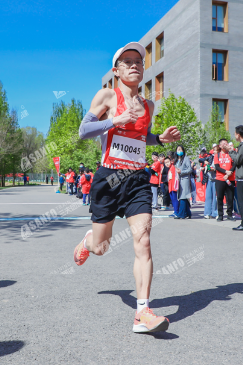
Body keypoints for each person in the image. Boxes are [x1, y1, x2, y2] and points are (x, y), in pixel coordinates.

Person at [73, 42, 181, 333]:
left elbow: (141, 138)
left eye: (138, 61)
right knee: (101, 248)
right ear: (116, 69)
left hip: (136, 179)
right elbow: (84, 131)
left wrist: (161, 139)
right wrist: (114, 120)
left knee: (143, 240)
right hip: (109, 178)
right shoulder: (107, 95)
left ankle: (142, 312)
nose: (134, 65)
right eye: (127, 61)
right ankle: (88, 241)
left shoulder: (148, 105)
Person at [215, 140, 236, 222]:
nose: (226, 145)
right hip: (220, 179)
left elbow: (235, 164)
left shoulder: (231, 154)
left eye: (226, 143)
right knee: (219, 198)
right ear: (220, 146)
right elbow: (217, 167)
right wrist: (225, 172)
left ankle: (230, 214)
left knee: (230, 198)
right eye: (224, 144)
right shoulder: (217, 155)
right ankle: (220, 215)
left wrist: (229, 173)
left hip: (230, 178)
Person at [174, 145, 192, 219]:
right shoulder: (176, 160)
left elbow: (190, 169)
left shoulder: (186, 159)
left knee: (183, 197)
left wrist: (181, 172)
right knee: (181, 196)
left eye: (180, 149)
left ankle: (181, 214)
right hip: (178, 180)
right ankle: (188, 213)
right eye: (178, 149)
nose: (179, 151)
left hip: (184, 179)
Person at [200, 144, 218, 219]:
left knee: (215, 197)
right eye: (214, 150)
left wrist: (211, 167)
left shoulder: (220, 158)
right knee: (208, 197)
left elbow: (215, 168)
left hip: (217, 179)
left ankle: (215, 213)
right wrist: (206, 163)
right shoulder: (210, 157)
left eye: (216, 150)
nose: (214, 151)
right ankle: (207, 213)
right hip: (210, 179)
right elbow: (201, 160)